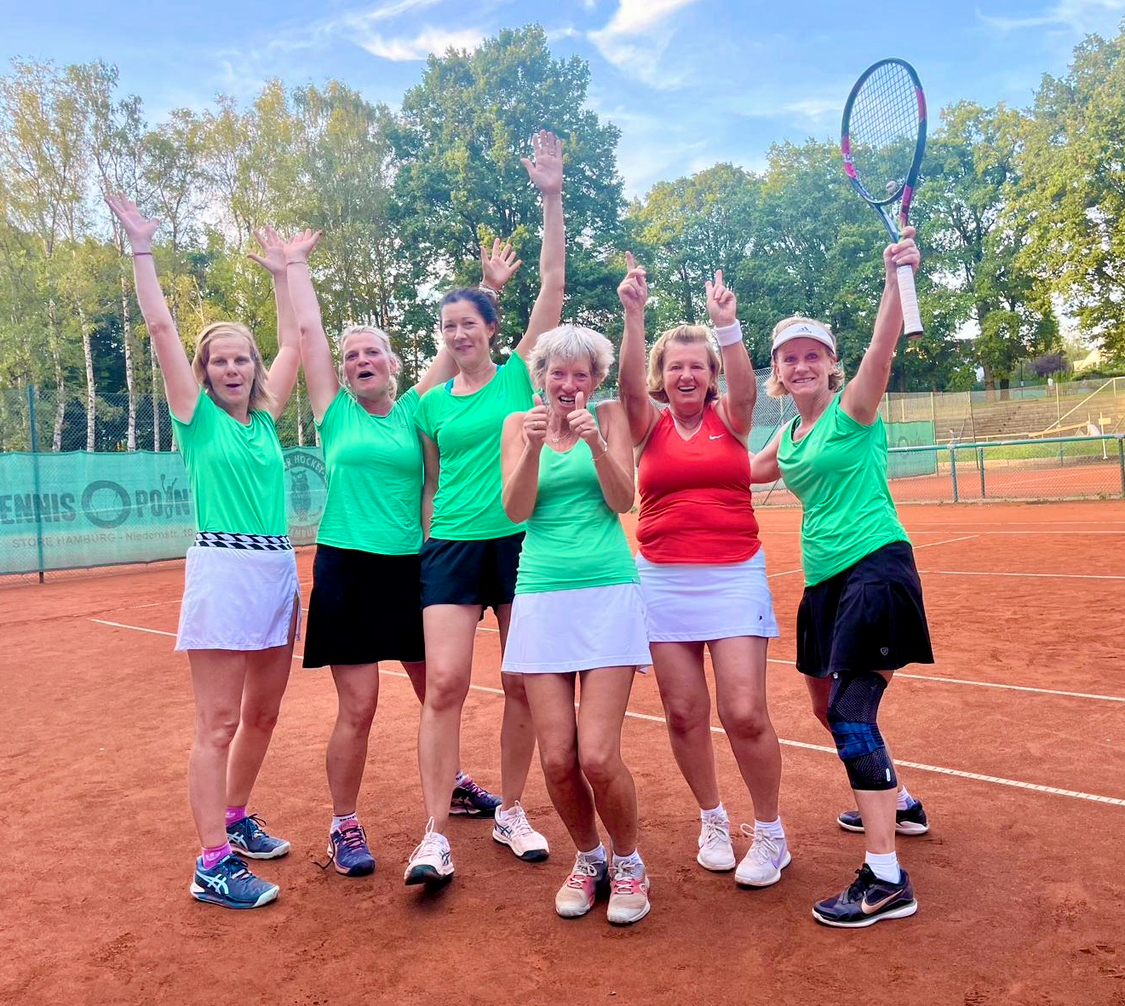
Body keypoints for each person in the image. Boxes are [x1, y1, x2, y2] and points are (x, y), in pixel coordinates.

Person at [286, 236, 523, 877]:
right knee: (358, 708)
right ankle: (344, 824)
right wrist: (298, 265)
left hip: (413, 567)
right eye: (352, 354)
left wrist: (488, 287)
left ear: (393, 364)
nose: (362, 359)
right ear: (344, 369)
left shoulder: (418, 406)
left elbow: (464, 338)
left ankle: (451, 785)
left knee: (437, 691)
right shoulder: (333, 411)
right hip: (349, 569)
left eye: (373, 352)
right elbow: (308, 333)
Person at [107, 195, 304, 910]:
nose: (232, 367)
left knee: (263, 716)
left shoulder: (265, 418)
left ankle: (234, 817)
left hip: (277, 567)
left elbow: (290, 342)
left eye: (240, 358)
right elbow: (159, 326)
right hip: (223, 569)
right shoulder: (195, 418)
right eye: (218, 359)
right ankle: (211, 863)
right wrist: (141, 248)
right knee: (218, 723)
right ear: (203, 368)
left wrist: (284, 273)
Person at [750, 227, 933, 928]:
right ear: (778, 372)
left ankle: (886, 878)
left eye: (812, 355)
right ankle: (903, 806)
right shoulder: (789, 436)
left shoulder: (850, 411)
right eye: (788, 358)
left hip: (874, 570)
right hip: (822, 584)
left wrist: (894, 278)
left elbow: (882, 350)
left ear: (831, 366)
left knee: (853, 716)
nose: (800, 365)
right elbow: (745, 471)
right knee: (827, 709)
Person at [405, 130, 565, 886]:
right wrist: (433, 534)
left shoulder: (514, 379)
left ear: (492, 330)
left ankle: (510, 810)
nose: (458, 333)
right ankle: (434, 832)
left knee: (519, 683)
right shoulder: (430, 403)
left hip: (518, 542)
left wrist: (550, 197)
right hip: (451, 549)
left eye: (468, 322)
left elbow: (552, 289)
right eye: (447, 327)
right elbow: (430, 480)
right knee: (442, 685)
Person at [617, 255, 789, 888]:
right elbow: (630, 387)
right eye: (675, 366)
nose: (686, 374)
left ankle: (770, 832)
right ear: (664, 376)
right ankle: (712, 818)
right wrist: (634, 316)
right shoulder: (646, 424)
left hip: (734, 572)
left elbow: (746, 388)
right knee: (684, 712)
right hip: (662, 578)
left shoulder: (732, 418)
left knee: (743, 711)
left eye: (698, 366)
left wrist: (728, 327)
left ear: (711, 375)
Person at [499, 325, 652, 925]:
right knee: (557, 757)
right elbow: (516, 510)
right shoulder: (518, 426)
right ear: (541, 377)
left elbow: (623, 500)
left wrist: (595, 446)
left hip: (608, 593)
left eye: (581, 374)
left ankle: (629, 861)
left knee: (596, 754)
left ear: (596, 380)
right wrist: (536, 446)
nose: (569, 384)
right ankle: (590, 859)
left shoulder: (610, 417)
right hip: (541, 596)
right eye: (558, 373)